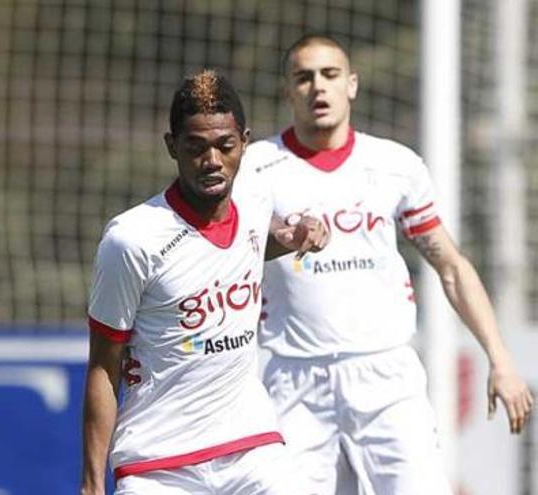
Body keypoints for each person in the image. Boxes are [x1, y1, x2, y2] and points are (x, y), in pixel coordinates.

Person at [244, 34, 534, 494]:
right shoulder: (257, 167)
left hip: (384, 376)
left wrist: (501, 360)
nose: (318, 87)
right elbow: (222, 252)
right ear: (287, 91)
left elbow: (452, 267)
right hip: (293, 379)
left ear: (352, 85)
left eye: (330, 74)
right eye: (304, 77)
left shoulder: (395, 165)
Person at [80, 69, 328, 495]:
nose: (212, 161)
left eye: (225, 146)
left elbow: (251, 240)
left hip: (251, 447)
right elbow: (104, 365)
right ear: (172, 146)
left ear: (244, 142)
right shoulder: (131, 239)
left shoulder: (255, 198)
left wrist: (297, 233)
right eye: (195, 148)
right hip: (158, 465)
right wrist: (91, 485)